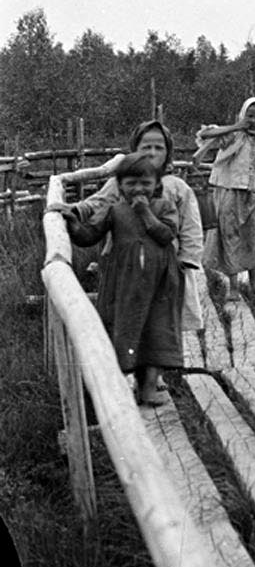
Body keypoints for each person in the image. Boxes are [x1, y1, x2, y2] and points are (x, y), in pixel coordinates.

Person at [58, 151, 184, 406]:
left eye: (145, 183)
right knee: (123, 328)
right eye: (131, 183)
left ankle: (148, 388)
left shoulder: (164, 206)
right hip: (124, 283)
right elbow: (90, 235)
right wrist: (72, 225)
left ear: (157, 184)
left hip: (160, 283)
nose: (138, 189)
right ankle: (120, 389)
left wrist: (146, 214)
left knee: (156, 330)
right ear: (120, 185)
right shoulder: (114, 210)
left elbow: (166, 235)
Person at [56, 119, 206, 331]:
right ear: (135, 150)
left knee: (164, 319)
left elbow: (191, 227)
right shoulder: (121, 183)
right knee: (129, 316)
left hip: (166, 264)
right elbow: (99, 202)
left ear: (168, 152)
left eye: (158, 148)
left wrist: (187, 259)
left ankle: (165, 360)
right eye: (146, 147)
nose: (152, 153)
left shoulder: (178, 188)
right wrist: (76, 210)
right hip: (126, 262)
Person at [195, 97, 255, 301]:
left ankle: (254, 287)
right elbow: (205, 134)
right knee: (229, 235)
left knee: (254, 238)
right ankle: (233, 287)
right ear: (243, 115)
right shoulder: (232, 135)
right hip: (230, 190)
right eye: (250, 115)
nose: (254, 120)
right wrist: (237, 126)